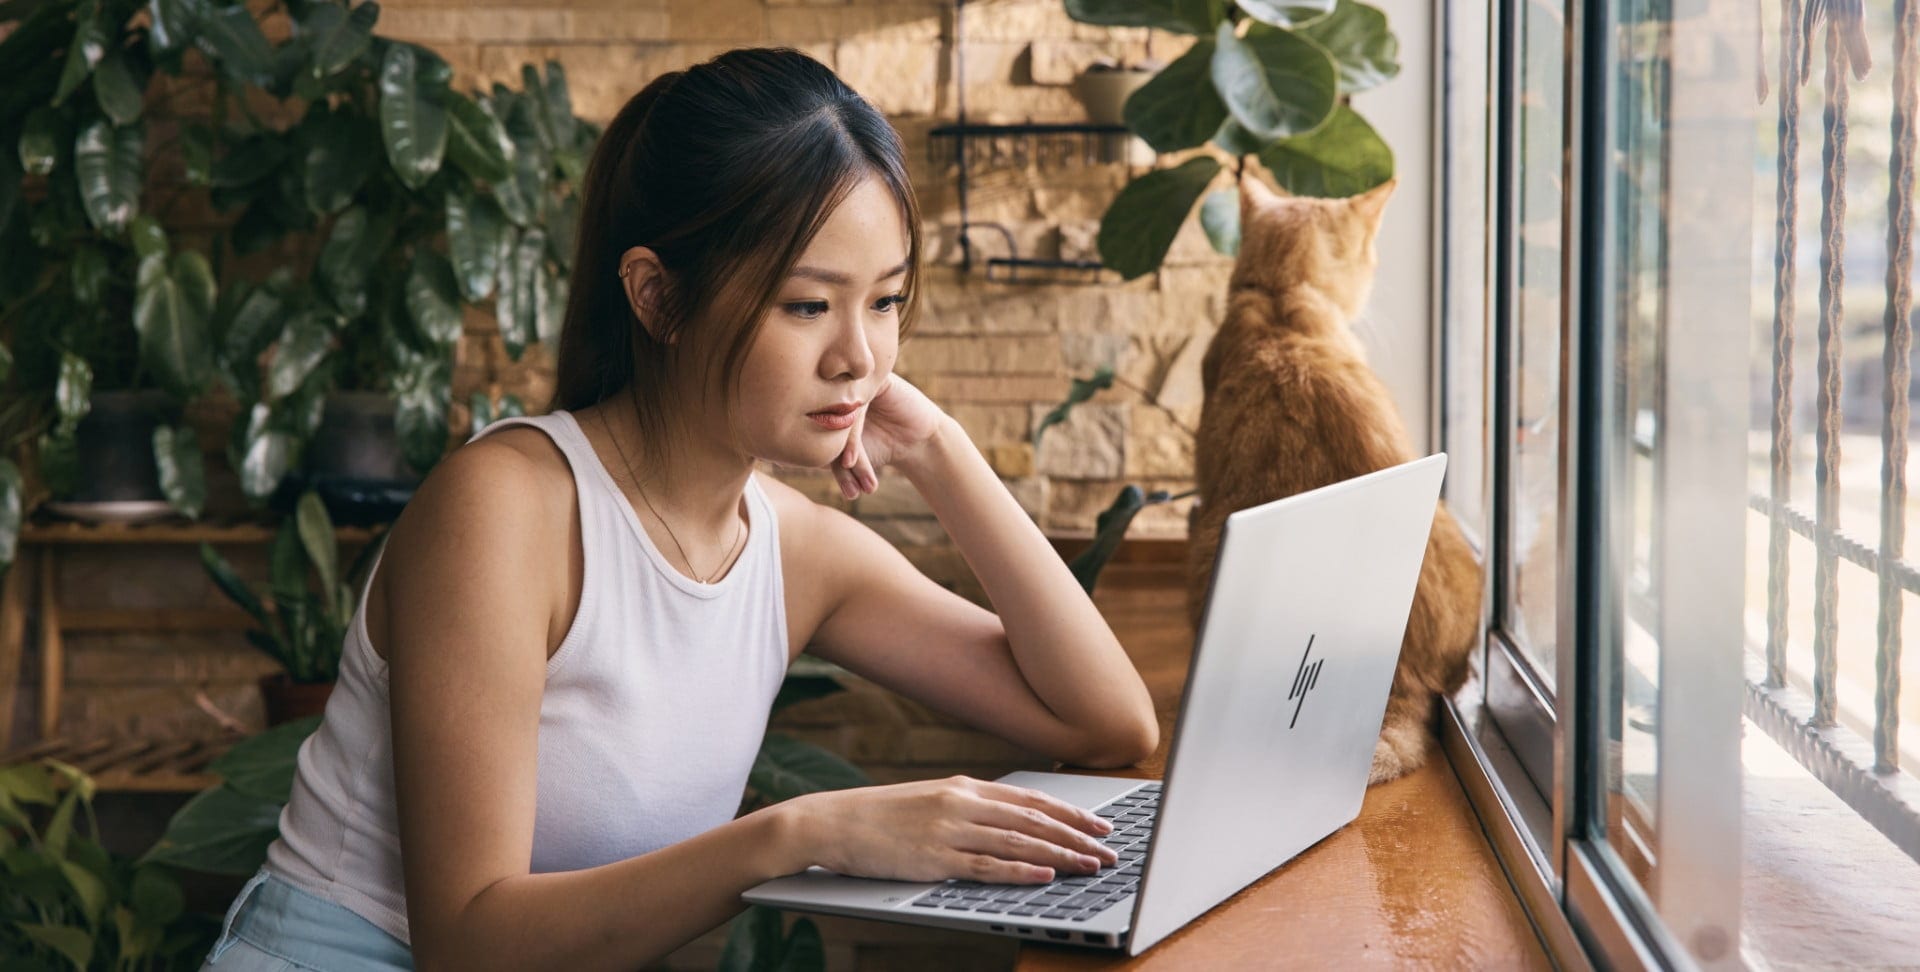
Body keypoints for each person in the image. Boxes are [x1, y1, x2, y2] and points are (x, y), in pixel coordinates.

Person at [201, 47, 1158, 971]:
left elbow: (1106, 725)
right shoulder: (507, 509)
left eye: (887, 301)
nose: (859, 358)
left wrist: (941, 452)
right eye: (806, 306)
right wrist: (801, 833)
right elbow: (467, 942)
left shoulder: (797, 550)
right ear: (657, 296)